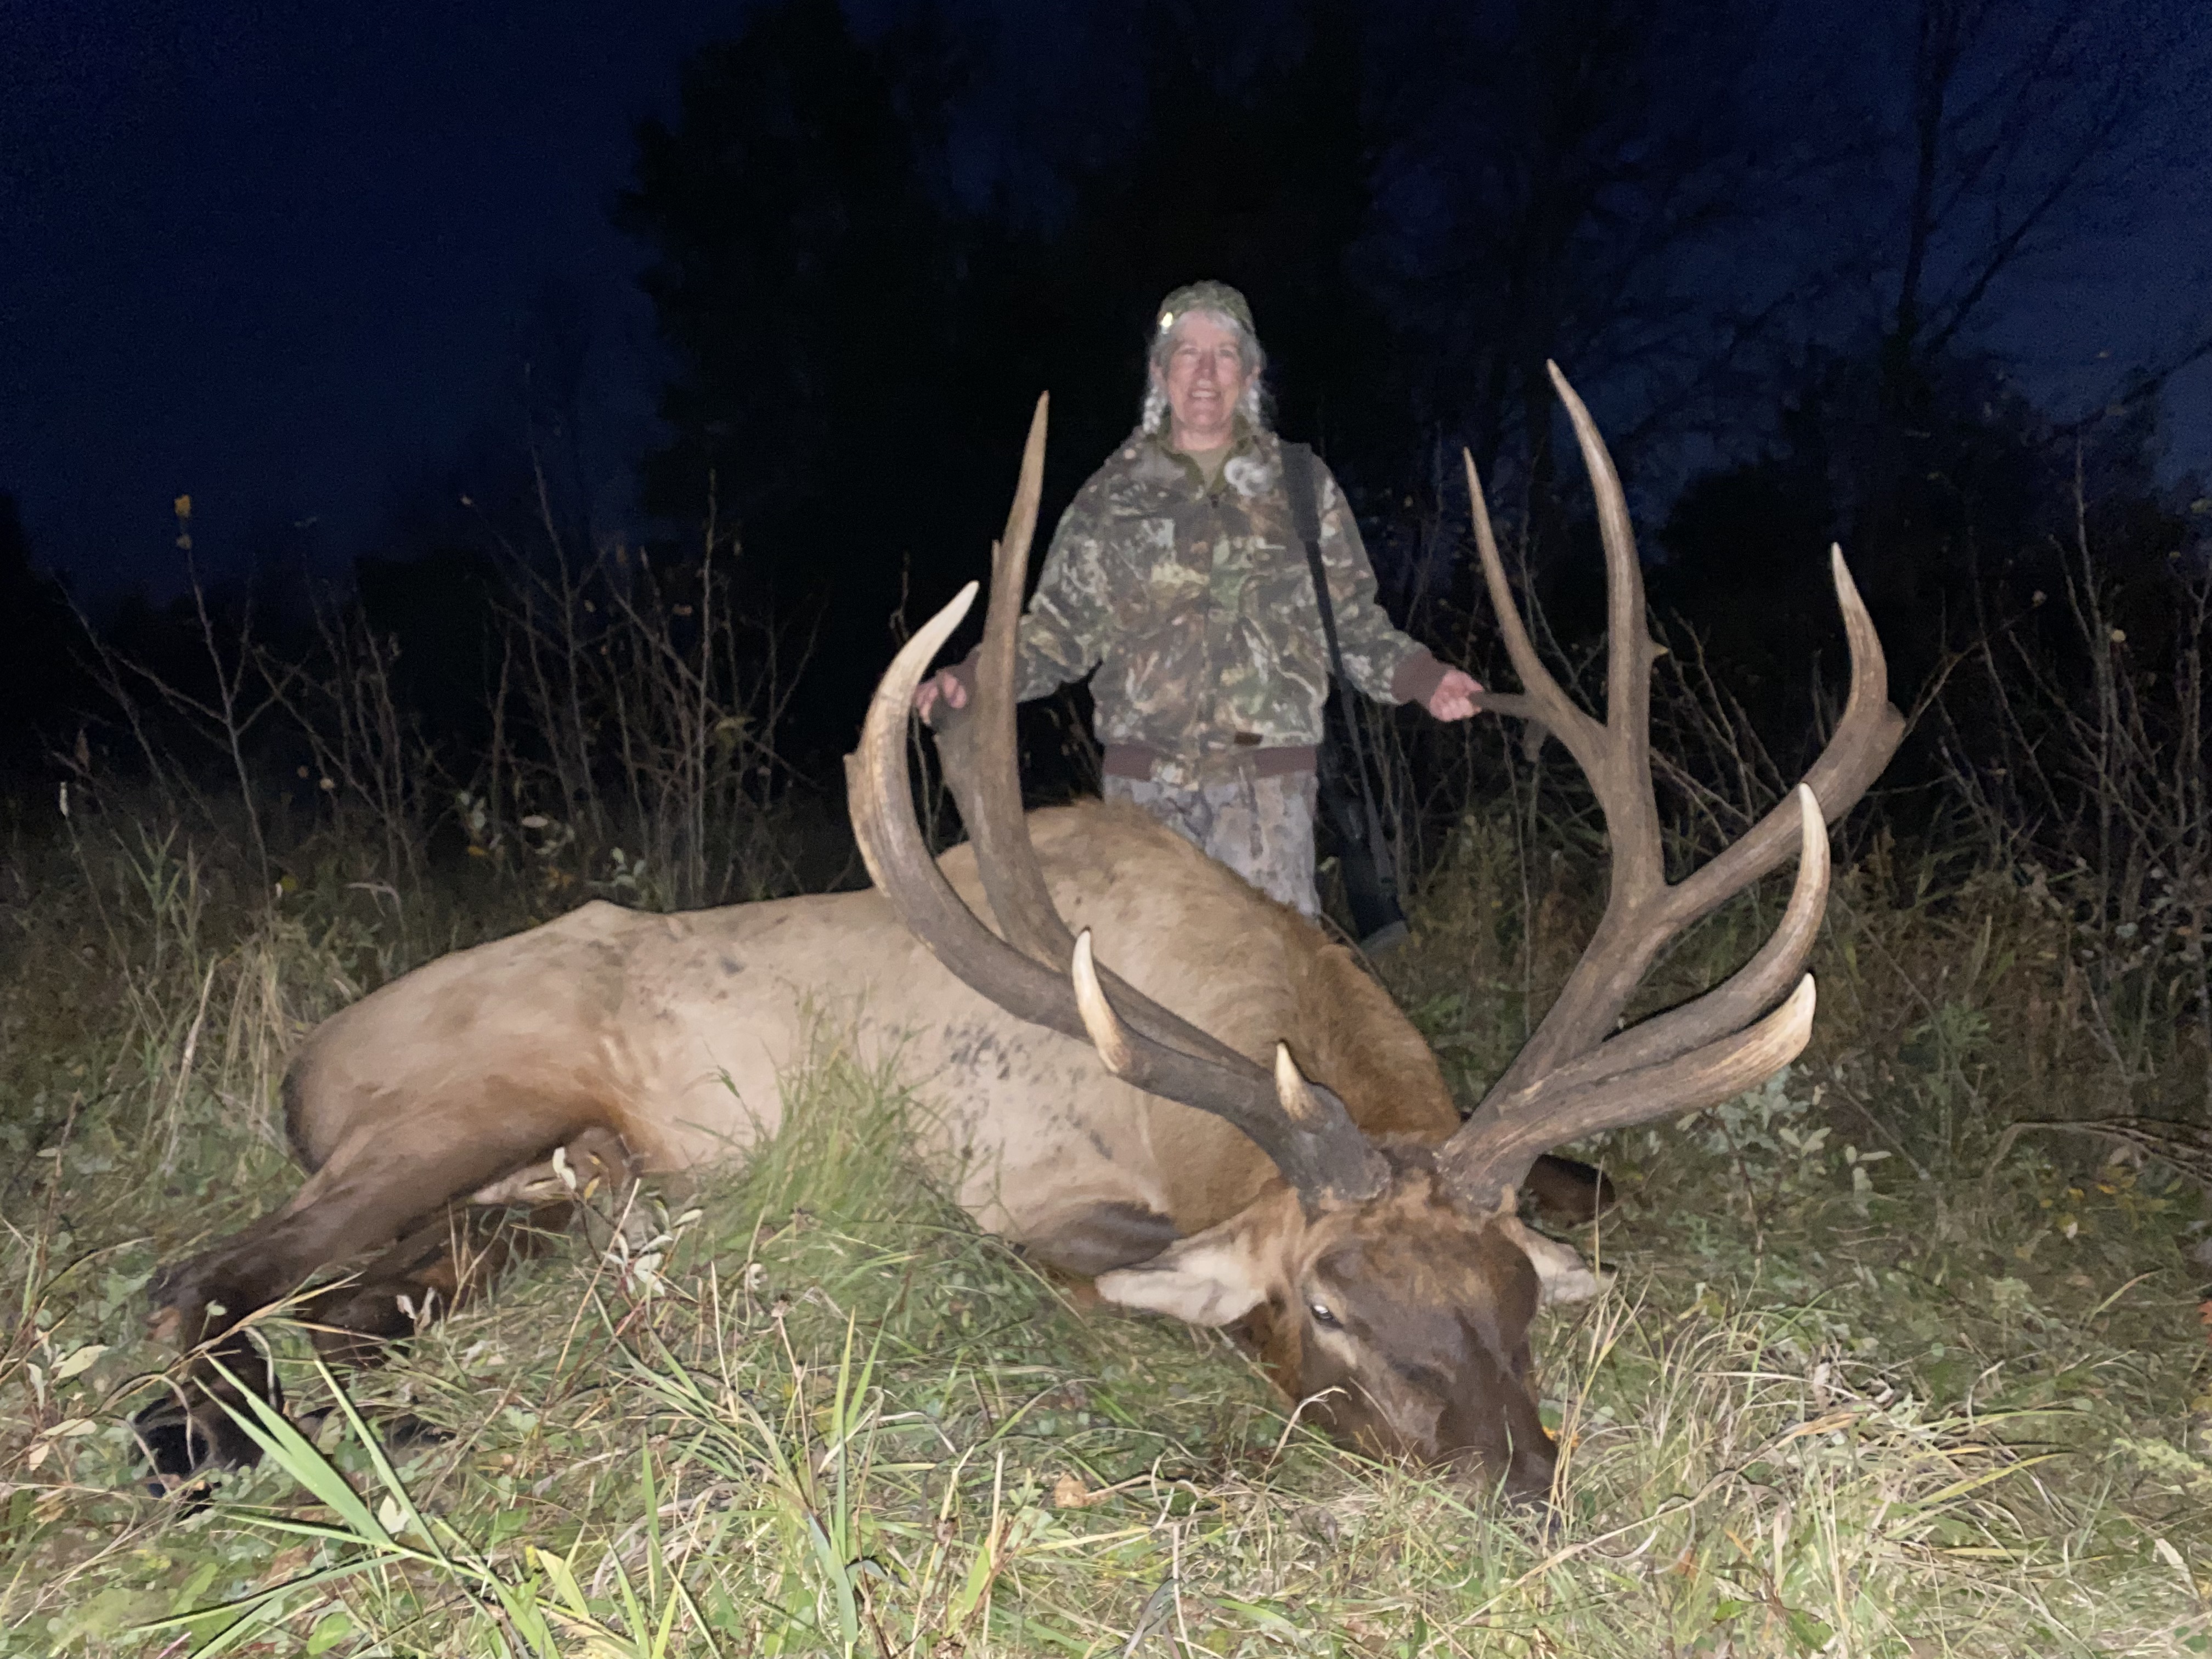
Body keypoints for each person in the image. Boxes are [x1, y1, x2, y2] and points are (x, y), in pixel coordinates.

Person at [917, 280, 1481, 918]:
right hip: (1144, 804)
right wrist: (977, 678)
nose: (1206, 373)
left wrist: (1424, 678)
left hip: (1267, 797)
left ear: (1252, 373)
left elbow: (1350, 624)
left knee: (1264, 978)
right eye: (1187, 353)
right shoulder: (1112, 496)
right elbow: (1059, 630)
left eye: (1225, 354)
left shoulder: (1302, 485)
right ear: (1160, 373)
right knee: (1139, 975)